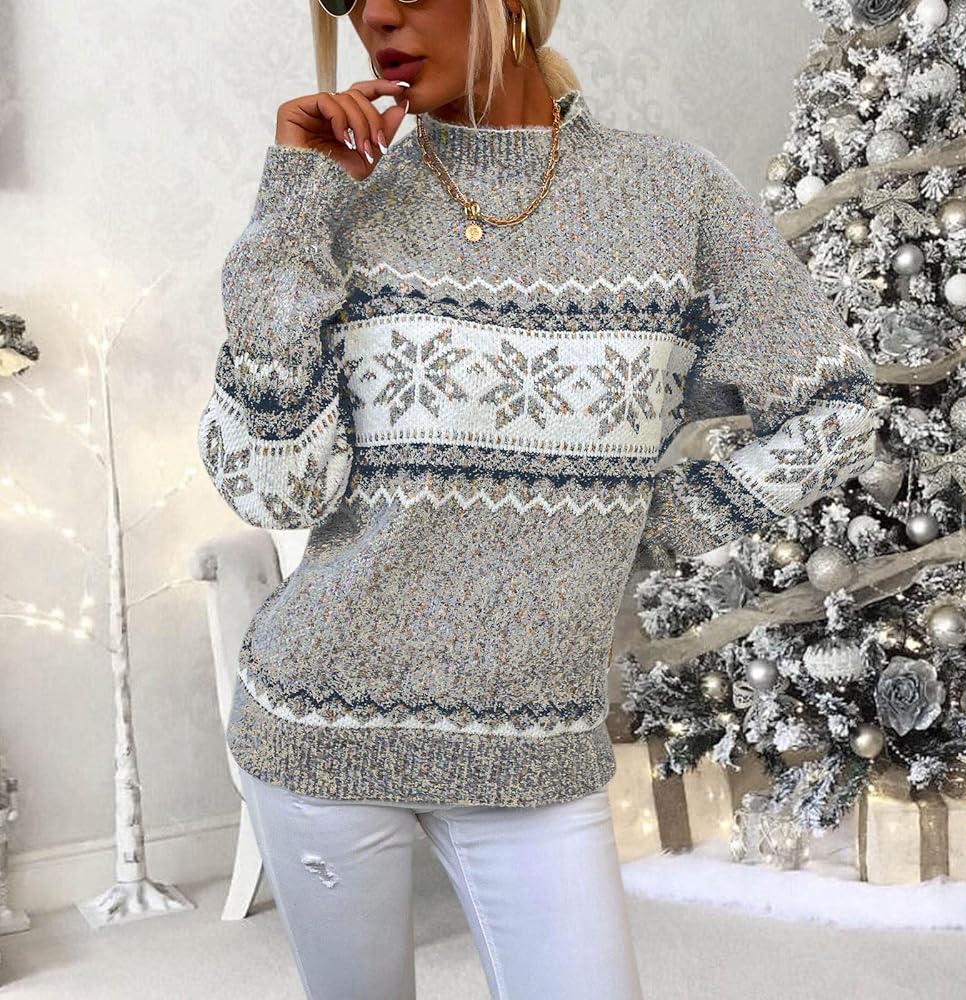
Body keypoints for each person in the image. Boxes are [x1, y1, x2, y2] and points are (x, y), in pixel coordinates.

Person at [196, 0, 881, 997]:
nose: (377, 12)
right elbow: (277, 487)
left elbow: (837, 407)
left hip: (538, 745)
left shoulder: (672, 196)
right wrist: (293, 212)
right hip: (319, 728)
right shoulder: (343, 207)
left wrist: (647, 521)